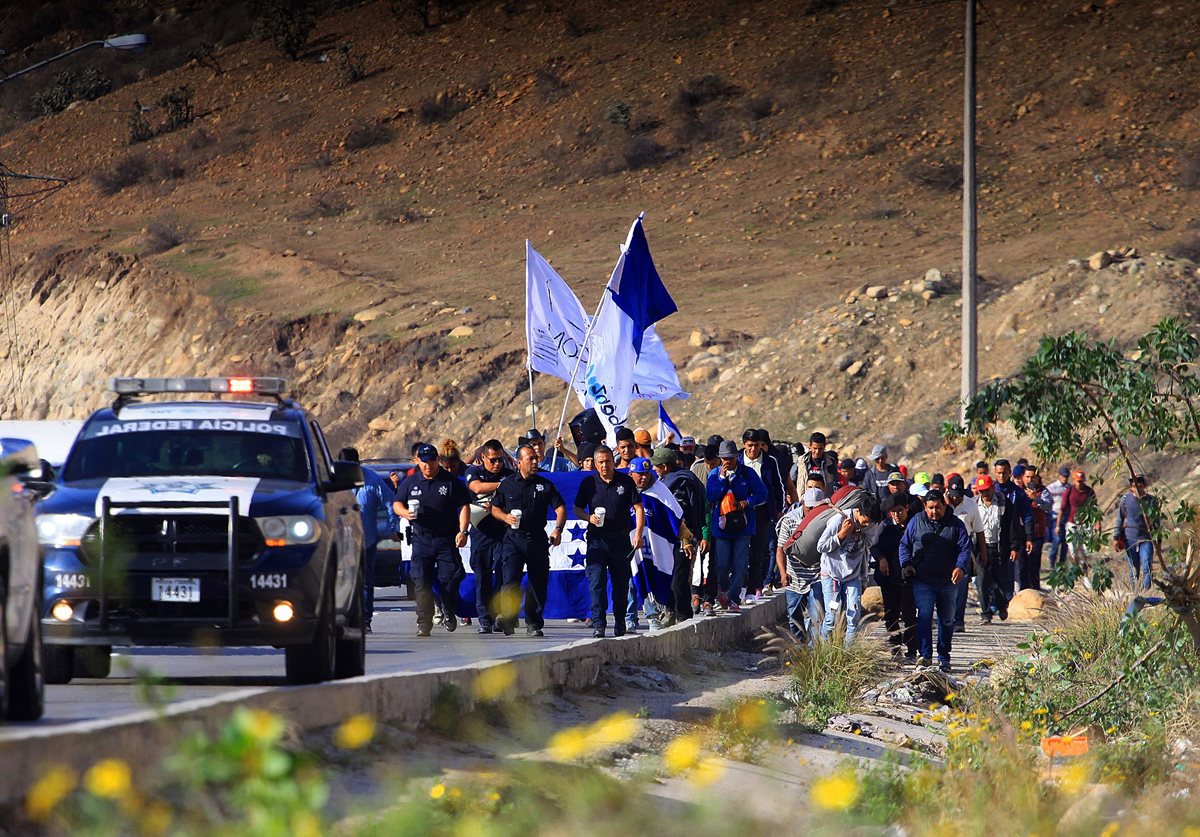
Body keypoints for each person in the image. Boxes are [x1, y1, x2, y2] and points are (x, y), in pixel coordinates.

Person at [394, 443, 471, 637]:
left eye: (432, 461)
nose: (428, 465)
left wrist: (463, 531)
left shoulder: (450, 481)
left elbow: (464, 506)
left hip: (446, 539)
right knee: (421, 582)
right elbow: (397, 503)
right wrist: (405, 513)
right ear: (417, 461)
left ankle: (449, 609)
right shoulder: (410, 483)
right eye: (424, 462)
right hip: (421, 539)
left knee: (451, 579)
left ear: (438, 460)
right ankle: (424, 622)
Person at [491, 445, 567, 637]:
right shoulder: (507, 484)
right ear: (518, 462)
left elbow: (560, 509)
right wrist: (505, 517)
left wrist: (558, 529)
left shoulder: (545, 485)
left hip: (537, 540)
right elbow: (494, 508)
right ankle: (508, 618)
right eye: (530, 459)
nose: (535, 462)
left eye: (536, 458)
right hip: (513, 540)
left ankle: (533, 622)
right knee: (509, 581)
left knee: (537, 582)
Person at [574, 445, 644, 638]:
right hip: (597, 540)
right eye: (601, 462)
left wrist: (638, 533)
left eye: (608, 461)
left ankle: (620, 622)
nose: (605, 465)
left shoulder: (625, 482)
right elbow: (577, 509)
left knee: (621, 585)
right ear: (595, 464)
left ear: (613, 461)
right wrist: (589, 518)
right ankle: (599, 623)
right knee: (596, 582)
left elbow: (638, 507)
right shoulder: (589, 483)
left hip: (621, 540)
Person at [898, 489, 971, 672]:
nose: (934, 511)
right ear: (925, 507)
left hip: (948, 581)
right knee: (924, 617)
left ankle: (944, 657)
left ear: (945, 505)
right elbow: (904, 545)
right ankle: (925, 656)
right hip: (923, 580)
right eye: (930, 508)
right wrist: (906, 564)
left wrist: (960, 567)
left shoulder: (956, 525)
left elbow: (965, 549)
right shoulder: (916, 522)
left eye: (938, 507)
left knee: (947, 620)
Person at [705, 439, 768, 612]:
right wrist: (723, 480)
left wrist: (747, 502)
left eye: (731, 458)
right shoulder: (714, 475)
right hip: (722, 529)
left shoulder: (748, 474)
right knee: (722, 565)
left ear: (736, 457)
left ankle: (733, 599)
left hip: (743, 528)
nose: (728, 462)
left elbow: (762, 493)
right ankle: (723, 590)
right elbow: (711, 496)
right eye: (724, 459)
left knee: (740, 566)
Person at [339, 446, 392, 635]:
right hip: (339, 542)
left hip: (366, 540)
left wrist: (389, 529)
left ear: (358, 464)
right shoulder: (332, 480)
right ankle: (342, 618)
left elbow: (390, 503)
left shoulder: (372, 479)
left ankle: (365, 620)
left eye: (352, 466)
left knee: (366, 582)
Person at [816, 495, 880, 643]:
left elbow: (866, 550)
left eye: (871, 523)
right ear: (858, 511)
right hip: (831, 575)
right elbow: (821, 546)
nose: (867, 525)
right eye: (866, 520)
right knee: (831, 617)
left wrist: (863, 579)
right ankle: (823, 650)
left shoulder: (869, 525)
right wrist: (841, 535)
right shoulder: (838, 520)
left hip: (853, 576)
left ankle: (848, 653)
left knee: (853, 616)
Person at [465, 439, 512, 633]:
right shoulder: (474, 472)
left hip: (503, 532)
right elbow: (476, 488)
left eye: (500, 460)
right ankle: (484, 618)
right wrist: (502, 485)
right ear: (483, 457)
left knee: (503, 574)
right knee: (482, 575)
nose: (497, 464)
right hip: (481, 531)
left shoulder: (509, 474)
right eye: (492, 460)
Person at [654, 446, 706, 623]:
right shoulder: (679, 478)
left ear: (665, 467)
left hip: (683, 538)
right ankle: (671, 611)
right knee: (669, 575)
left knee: (679, 578)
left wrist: (686, 539)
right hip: (670, 539)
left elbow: (679, 514)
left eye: (657, 466)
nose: (654, 469)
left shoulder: (677, 483)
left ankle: (683, 616)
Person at [740, 429, 786, 602]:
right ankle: (740, 587)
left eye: (757, 445)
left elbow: (778, 486)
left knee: (759, 551)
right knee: (742, 550)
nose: (753, 449)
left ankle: (755, 587)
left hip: (763, 511)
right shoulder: (737, 460)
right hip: (741, 511)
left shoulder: (769, 461)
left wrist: (779, 509)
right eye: (750, 445)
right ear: (744, 444)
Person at [872, 495, 917, 661]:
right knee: (891, 615)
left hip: (908, 578)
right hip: (889, 577)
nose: (897, 515)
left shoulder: (914, 525)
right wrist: (881, 559)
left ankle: (912, 650)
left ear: (906, 508)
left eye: (899, 510)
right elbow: (874, 547)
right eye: (893, 512)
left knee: (910, 615)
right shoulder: (885, 526)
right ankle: (895, 645)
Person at [775, 502, 824, 642]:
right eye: (809, 509)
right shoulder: (790, 520)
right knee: (793, 614)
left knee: (817, 613)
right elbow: (780, 549)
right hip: (795, 575)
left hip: (817, 574)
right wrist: (783, 573)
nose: (812, 512)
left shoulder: (826, 520)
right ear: (803, 505)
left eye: (816, 509)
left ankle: (813, 648)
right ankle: (799, 645)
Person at [973, 474, 1019, 623]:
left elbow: (1012, 526)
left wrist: (1014, 546)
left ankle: (1002, 605)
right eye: (981, 491)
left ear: (992, 488)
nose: (984, 494)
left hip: (999, 546)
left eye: (986, 490)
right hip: (981, 547)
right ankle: (986, 614)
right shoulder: (974, 505)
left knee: (1000, 581)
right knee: (982, 582)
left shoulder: (1004, 503)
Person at [946, 475, 985, 632]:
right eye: (953, 495)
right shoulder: (940, 504)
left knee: (961, 586)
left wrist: (983, 553)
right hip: (944, 547)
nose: (956, 498)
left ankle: (958, 621)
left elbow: (979, 530)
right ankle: (946, 618)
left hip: (963, 546)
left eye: (959, 495)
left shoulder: (970, 505)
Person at [994, 459, 1034, 597]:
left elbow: (1027, 515)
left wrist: (1029, 537)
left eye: (1004, 473)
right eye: (998, 473)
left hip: (1012, 536)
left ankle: (1008, 600)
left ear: (1010, 472)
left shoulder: (1018, 493)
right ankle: (993, 603)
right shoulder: (991, 491)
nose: (1001, 476)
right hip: (992, 536)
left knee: (1009, 569)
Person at [1116, 475, 1159, 591]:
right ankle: (1135, 593)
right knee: (1134, 569)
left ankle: (1146, 593)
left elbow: (1156, 522)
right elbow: (1120, 518)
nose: (1136, 486)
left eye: (1139, 484)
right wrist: (1116, 536)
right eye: (1134, 484)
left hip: (1146, 538)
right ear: (1131, 487)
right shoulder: (1125, 500)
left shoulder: (1151, 501)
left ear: (1144, 486)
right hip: (1130, 539)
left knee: (1146, 567)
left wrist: (1158, 540)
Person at [1020, 467, 1052, 591]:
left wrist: (1036, 499)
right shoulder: (1019, 491)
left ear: (1038, 478)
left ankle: (1035, 592)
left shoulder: (1043, 491)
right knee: (1022, 567)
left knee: (1034, 566)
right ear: (1023, 477)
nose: (1030, 480)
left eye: (1033, 477)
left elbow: (1048, 508)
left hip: (1037, 534)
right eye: (1027, 477)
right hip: (1021, 534)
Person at [1058, 469, 1096, 563]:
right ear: (1074, 480)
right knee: (1073, 551)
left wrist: (1097, 523)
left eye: (1081, 481)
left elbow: (1095, 508)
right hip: (1072, 523)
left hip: (1085, 524)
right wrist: (1058, 525)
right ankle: (1076, 569)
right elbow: (1062, 509)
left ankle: (1084, 572)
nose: (1080, 483)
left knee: (1085, 551)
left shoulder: (1089, 492)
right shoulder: (1069, 491)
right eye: (1078, 481)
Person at [797, 432, 840, 497]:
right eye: (815, 448)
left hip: (825, 500)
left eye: (820, 449)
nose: (817, 452)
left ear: (824, 447)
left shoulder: (830, 462)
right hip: (806, 499)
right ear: (810, 446)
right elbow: (794, 479)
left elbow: (835, 481)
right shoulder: (802, 461)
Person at [1046, 465, 1071, 568]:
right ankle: (1052, 563)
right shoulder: (1052, 488)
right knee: (1056, 541)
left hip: (1066, 517)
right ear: (1059, 476)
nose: (1065, 478)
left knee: (1066, 543)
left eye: (1066, 476)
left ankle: (1062, 565)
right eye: (1063, 476)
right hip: (1055, 517)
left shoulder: (1070, 488)